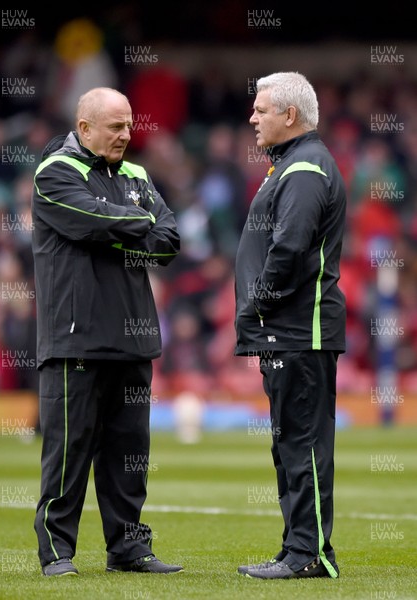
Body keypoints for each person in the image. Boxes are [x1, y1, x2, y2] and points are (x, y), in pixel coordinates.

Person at [31, 87, 182, 577]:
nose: (125, 134)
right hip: (76, 336)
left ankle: (129, 548)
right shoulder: (54, 172)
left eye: (129, 125)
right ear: (85, 128)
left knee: (130, 454)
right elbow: (89, 221)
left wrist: (120, 232)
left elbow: (169, 242)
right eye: (115, 126)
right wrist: (138, 225)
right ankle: (57, 553)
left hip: (133, 337)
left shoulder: (137, 174)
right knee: (69, 451)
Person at [234, 72, 346, 580]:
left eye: (260, 110)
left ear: (290, 115)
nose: (252, 118)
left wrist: (258, 304)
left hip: (301, 330)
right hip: (290, 330)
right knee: (290, 443)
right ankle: (297, 546)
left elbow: (290, 249)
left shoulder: (303, 168)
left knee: (300, 442)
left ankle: (310, 556)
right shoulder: (295, 165)